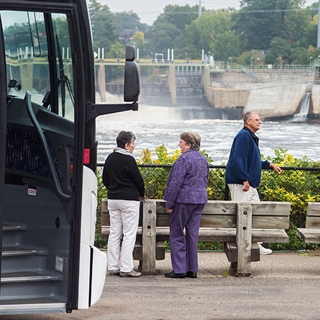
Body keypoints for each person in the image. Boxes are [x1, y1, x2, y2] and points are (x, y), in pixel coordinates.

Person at [226, 111, 282, 255]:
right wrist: (244, 179)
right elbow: (238, 159)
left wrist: (268, 164)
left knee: (255, 213)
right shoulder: (244, 136)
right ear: (248, 121)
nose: (260, 122)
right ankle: (243, 247)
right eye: (257, 120)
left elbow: (252, 160)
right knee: (242, 215)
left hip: (248, 184)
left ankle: (255, 244)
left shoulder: (249, 137)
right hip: (241, 184)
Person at [164, 132, 209, 278]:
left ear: (188, 144)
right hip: (199, 200)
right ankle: (192, 269)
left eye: (181, 142)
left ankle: (179, 270)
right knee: (192, 234)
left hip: (183, 200)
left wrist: (169, 202)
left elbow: (175, 183)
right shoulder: (203, 159)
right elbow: (205, 180)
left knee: (177, 233)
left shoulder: (183, 159)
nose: (179, 144)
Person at [102, 131, 146, 277]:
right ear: (126, 145)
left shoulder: (110, 158)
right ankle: (126, 268)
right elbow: (138, 180)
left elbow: (105, 180)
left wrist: (114, 189)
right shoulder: (129, 159)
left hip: (113, 199)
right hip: (129, 200)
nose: (134, 146)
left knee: (114, 233)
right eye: (133, 143)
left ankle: (113, 266)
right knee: (129, 234)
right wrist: (141, 193)